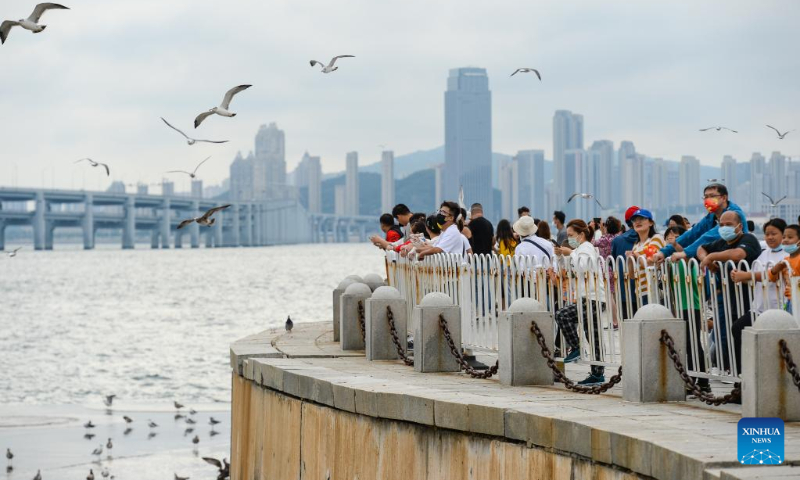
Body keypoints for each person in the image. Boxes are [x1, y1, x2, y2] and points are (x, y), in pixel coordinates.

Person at [697, 210, 762, 371]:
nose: (724, 228)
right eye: (721, 225)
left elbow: (738, 254)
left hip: (750, 299)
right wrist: (705, 258)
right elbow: (701, 248)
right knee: (725, 334)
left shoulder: (749, 239)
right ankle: (730, 369)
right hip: (729, 298)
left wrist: (711, 257)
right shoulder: (720, 243)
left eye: (729, 225)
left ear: (739, 226)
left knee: (743, 334)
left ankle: (742, 371)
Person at [554, 219, 607, 386]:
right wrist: (562, 256)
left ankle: (576, 347)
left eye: (571, 235)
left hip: (593, 298)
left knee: (562, 315)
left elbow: (582, 266)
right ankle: (597, 374)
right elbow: (570, 269)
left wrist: (571, 253)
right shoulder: (579, 250)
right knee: (594, 336)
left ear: (581, 235)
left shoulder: (586, 248)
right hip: (588, 297)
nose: (569, 239)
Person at [730, 218, 788, 370]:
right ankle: (742, 375)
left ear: (783, 235)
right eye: (767, 234)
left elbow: (771, 274)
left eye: (774, 234)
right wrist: (740, 276)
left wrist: (746, 275)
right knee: (738, 329)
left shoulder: (787, 256)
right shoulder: (763, 254)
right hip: (759, 308)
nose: (770, 237)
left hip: (780, 308)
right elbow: (756, 278)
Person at [653, 183, 747, 263]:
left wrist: (686, 252)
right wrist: (664, 252)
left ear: (724, 198)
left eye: (712, 196)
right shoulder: (711, 216)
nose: (708, 199)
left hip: (736, 264)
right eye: (706, 197)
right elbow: (692, 234)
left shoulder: (735, 214)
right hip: (715, 267)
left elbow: (710, 236)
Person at [664, 225, 709, 392]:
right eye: (669, 237)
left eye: (675, 236)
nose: (672, 240)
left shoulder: (691, 260)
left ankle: (704, 381)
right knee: (686, 344)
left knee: (694, 343)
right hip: (680, 306)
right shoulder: (671, 262)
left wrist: (677, 247)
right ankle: (692, 379)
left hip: (693, 305)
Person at [628, 209, 665, 304]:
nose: (637, 222)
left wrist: (635, 255)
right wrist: (630, 259)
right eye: (634, 220)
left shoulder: (656, 238)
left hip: (655, 288)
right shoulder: (636, 245)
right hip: (641, 291)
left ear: (651, 223)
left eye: (642, 219)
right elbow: (632, 275)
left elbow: (651, 263)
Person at [768, 224, 800, 314]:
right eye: (784, 237)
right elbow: (771, 277)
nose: (785, 240)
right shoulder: (785, 261)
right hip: (789, 300)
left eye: (790, 237)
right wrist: (777, 267)